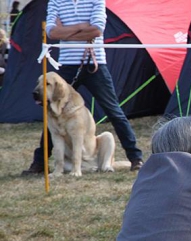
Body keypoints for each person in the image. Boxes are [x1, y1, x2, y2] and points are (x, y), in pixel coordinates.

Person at [21, 0, 143, 176]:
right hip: (67, 66)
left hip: (95, 64)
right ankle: (39, 162)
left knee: (114, 111)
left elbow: (97, 30)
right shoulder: (56, 1)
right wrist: (82, 27)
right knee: (52, 113)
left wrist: (67, 32)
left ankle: (135, 158)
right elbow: (52, 32)